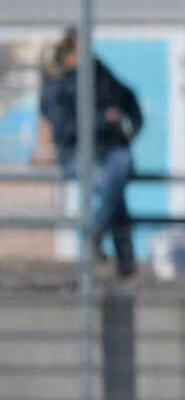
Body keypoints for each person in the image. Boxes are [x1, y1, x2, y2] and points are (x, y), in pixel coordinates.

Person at [38, 29, 143, 277]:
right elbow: (64, 129)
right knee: (112, 186)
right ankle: (120, 256)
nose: (86, 54)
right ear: (69, 52)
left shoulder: (99, 72)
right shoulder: (57, 82)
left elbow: (128, 98)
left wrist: (130, 129)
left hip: (108, 149)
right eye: (80, 49)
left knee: (119, 167)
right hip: (76, 153)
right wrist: (103, 120)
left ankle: (97, 233)